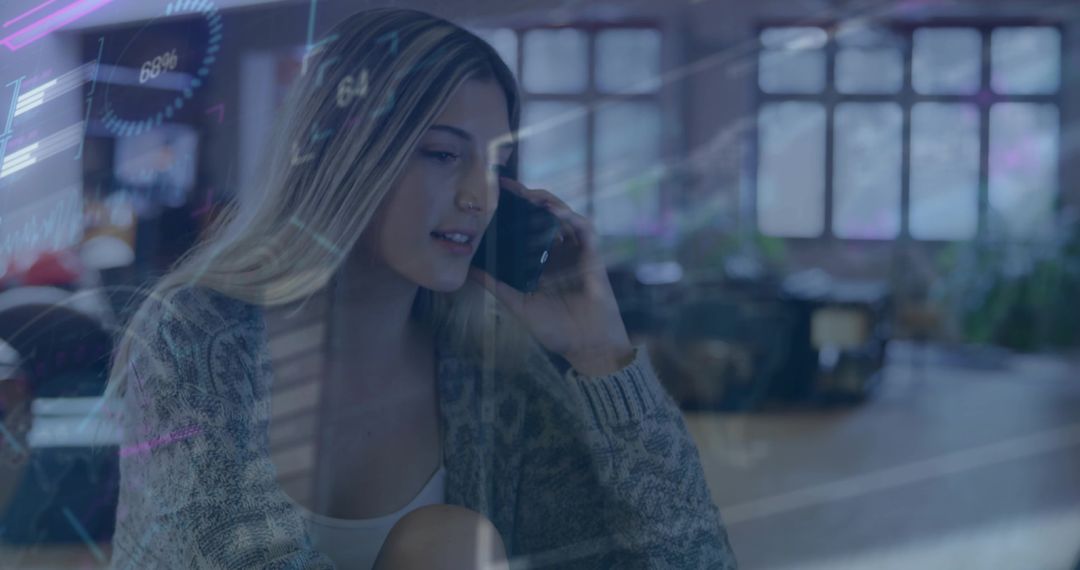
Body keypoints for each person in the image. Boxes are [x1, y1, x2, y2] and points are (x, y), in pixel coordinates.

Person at [103, 7, 738, 569]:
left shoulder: (491, 379)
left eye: (496, 164)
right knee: (448, 546)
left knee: (449, 544)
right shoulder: (193, 335)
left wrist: (603, 355)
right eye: (442, 153)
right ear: (344, 155)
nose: (480, 196)